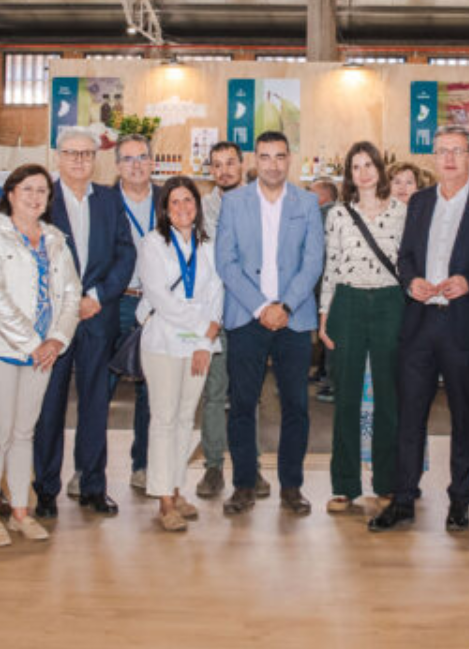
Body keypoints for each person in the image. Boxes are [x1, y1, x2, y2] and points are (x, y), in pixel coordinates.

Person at [372, 127, 469, 533]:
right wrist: (411, 283)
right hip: (420, 323)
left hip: (463, 326)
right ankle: (403, 498)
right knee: (409, 417)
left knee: (465, 417)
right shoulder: (421, 201)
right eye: (441, 151)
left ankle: (460, 500)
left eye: (456, 152)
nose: (448, 159)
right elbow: (404, 256)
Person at [215, 130, 326, 517]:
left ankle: (291, 486)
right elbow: (225, 262)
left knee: (296, 405)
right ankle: (244, 483)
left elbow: (313, 261)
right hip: (247, 318)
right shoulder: (233, 203)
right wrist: (262, 307)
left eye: (280, 156)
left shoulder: (307, 202)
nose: (273, 164)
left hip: (293, 321)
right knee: (243, 404)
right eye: (265, 157)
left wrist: (286, 306)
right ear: (254, 161)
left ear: (289, 159)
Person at [0, 165, 81, 546]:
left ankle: (20, 510)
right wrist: (31, 342)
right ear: (11, 193)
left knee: (23, 433)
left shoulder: (54, 239)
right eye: (27, 189)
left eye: (42, 191)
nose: (35, 197)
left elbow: (70, 294)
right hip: (1, 350)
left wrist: (56, 341)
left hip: (43, 354)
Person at [37, 127, 136, 516]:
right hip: (54, 321)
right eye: (71, 153)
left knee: (96, 402)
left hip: (98, 315)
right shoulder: (42, 197)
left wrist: (95, 297)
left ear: (95, 159)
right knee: (51, 405)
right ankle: (45, 489)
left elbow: (125, 253)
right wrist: (66, 301)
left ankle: (93, 484)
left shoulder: (110, 200)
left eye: (86, 154)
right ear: (58, 157)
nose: (79, 160)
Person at [319, 142, 407, 514]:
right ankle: (344, 485)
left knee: (389, 397)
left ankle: (387, 482)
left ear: (380, 169)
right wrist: (325, 316)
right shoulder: (338, 214)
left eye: (369, 164)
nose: (364, 172)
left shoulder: (403, 212)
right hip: (349, 303)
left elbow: (409, 266)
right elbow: (332, 267)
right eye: (356, 167)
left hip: (390, 303)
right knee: (346, 398)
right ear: (349, 175)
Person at [135, 176, 224, 532]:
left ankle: (176, 487)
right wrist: (204, 328)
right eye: (175, 202)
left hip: (198, 344)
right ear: (165, 209)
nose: (183, 208)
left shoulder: (208, 245)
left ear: (197, 207)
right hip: (163, 341)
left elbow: (217, 291)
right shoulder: (152, 244)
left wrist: (205, 340)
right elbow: (162, 299)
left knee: (187, 418)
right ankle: (163, 499)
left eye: (189, 201)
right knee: (164, 419)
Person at [196, 141, 245, 497]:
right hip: (214, 313)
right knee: (213, 395)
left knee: (248, 393)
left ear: (242, 165)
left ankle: (250, 467)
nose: (224, 170)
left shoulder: (260, 203)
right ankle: (213, 466)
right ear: (210, 170)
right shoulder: (200, 209)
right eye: (217, 165)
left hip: (248, 312)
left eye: (230, 163)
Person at [114, 135, 158, 496]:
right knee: (101, 388)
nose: (136, 165)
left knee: (150, 392)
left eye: (142, 157)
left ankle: (142, 465)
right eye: (128, 159)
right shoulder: (104, 202)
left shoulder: (168, 200)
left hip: (157, 308)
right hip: (117, 302)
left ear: (152, 162)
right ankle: (88, 470)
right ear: (117, 166)